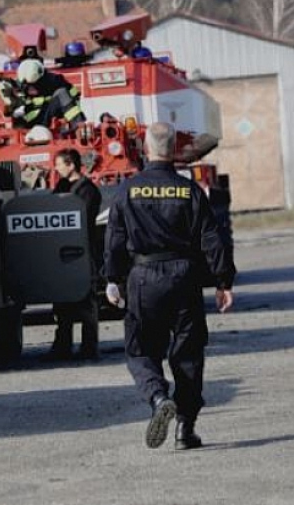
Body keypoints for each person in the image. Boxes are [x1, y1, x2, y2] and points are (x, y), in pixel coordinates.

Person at [103, 121, 236, 450]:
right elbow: (211, 238)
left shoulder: (127, 190)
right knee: (188, 354)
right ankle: (184, 429)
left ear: (146, 148)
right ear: (174, 148)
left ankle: (158, 397)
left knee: (140, 351)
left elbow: (114, 241)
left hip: (143, 279)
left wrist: (112, 279)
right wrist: (223, 281)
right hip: (183, 277)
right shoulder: (189, 190)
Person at [47, 148, 102, 360]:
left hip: (82, 251)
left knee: (86, 302)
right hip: (62, 252)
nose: (56, 168)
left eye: (59, 164)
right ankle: (62, 346)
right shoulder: (61, 186)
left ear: (71, 165)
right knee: (62, 302)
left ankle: (89, 347)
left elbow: (83, 219)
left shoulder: (88, 190)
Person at [0, 58, 85, 128]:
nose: (30, 89)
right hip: (27, 124)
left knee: (62, 94)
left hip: (46, 118)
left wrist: (69, 117)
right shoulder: (15, 86)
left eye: (32, 85)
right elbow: (2, 86)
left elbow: (74, 96)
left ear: (40, 80)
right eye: (26, 86)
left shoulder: (55, 81)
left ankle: (78, 127)